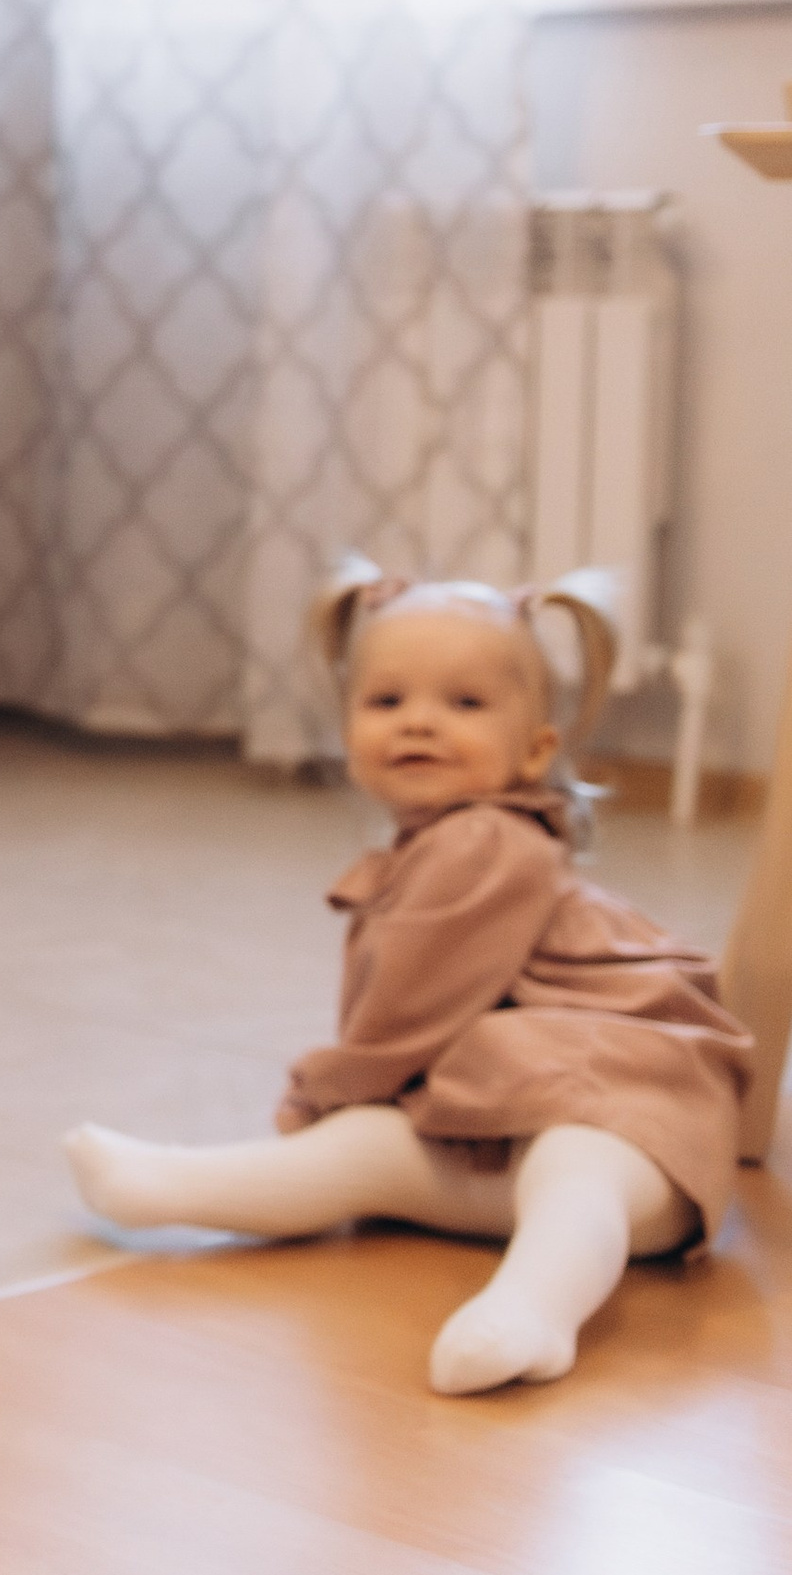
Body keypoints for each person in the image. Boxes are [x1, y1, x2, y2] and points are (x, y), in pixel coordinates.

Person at [64, 564, 753, 1396]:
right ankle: (170, 1185)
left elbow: (406, 1020)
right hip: (511, 1125)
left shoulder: (484, 841)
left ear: (536, 749)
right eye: (387, 700)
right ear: (348, 730)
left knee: (577, 1170)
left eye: (464, 703)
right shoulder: (431, 846)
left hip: (638, 1132)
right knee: (369, 1150)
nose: (419, 722)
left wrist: (319, 1089)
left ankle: (537, 1309)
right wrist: (348, 1108)